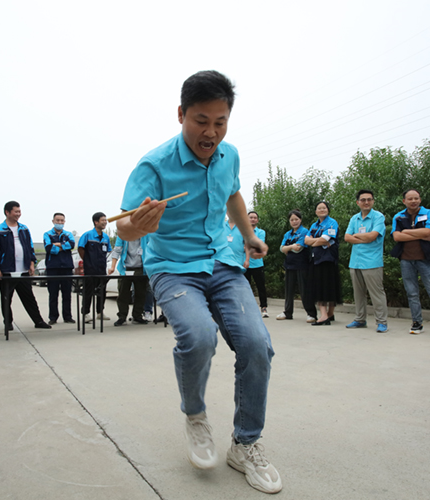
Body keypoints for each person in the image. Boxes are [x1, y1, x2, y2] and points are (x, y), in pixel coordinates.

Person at [116, 71, 282, 494]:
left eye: (220, 122)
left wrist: (248, 236)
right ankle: (195, 416)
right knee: (198, 335)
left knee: (256, 345)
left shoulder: (230, 156)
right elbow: (124, 227)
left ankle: (245, 443)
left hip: (223, 262)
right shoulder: (153, 165)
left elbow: (233, 195)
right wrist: (138, 225)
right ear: (181, 114)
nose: (211, 132)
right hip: (173, 266)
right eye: (201, 121)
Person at [0, 201, 51, 330]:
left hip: (23, 270)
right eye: (16, 211)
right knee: (6, 299)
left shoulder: (24, 229)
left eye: (19, 211)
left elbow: (30, 247)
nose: (18, 214)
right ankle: (8, 323)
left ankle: (38, 321)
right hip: (7, 271)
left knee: (29, 298)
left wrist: (31, 263)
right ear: (7, 212)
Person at [344, 190, 388, 333]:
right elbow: (347, 237)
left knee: (377, 294)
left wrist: (357, 236)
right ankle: (360, 319)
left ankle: (381, 322)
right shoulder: (354, 218)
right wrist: (364, 237)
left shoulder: (378, 217)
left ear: (373, 201)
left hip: (372, 262)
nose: (366, 202)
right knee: (358, 294)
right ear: (358, 202)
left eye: (369, 199)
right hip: (355, 261)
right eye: (363, 200)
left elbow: (372, 236)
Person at [390, 189, 430, 334]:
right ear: (404, 201)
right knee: (412, 293)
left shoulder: (428, 213)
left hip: (426, 259)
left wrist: (406, 232)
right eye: (410, 199)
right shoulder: (399, 216)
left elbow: (428, 233)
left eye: (416, 198)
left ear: (420, 199)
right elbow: (397, 237)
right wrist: (420, 234)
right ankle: (417, 323)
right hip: (406, 260)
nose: (413, 201)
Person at [305, 201, 342, 325]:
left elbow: (325, 239)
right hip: (316, 259)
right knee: (319, 286)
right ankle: (325, 314)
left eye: (324, 208)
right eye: (319, 208)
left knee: (329, 286)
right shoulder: (314, 225)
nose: (322, 210)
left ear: (328, 210)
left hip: (328, 259)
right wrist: (318, 241)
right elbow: (306, 240)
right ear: (316, 211)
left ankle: (328, 315)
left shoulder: (332, 223)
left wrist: (314, 241)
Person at [277, 210, 317, 322]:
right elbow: (281, 248)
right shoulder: (287, 234)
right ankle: (288, 312)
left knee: (304, 290)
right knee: (289, 290)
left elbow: (298, 249)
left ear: (300, 220)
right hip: (289, 265)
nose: (294, 222)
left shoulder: (305, 232)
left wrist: (288, 248)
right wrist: (291, 247)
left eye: (296, 219)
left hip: (302, 265)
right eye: (292, 220)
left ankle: (311, 314)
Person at [108, 235, 149, 326]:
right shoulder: (123, 234)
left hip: (140, 268)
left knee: (141, 294)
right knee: (123, 293)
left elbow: (151, 248)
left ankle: (137, 316)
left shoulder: (145, 234)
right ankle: (122, 317)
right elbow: (117, 250)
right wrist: (112, 267)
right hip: (125, 268)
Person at [78, 212, 112, 322]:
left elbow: (108, 251)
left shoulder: (106, 237)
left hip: (101, 269)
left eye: (106, 220)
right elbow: (80, 248)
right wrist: (87, 261)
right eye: (103, 220)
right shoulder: (87, 235)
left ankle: (100, 312)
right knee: (88, 292)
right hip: (90, 269)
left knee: (102, 292)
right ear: (96, 222)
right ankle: (86, 313)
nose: (105, 222)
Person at [43, 213, 75, 325]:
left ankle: (67, 316)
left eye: (62, 220)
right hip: (53, 267)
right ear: (53, 221)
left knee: (67, 294)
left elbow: (72, 245)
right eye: (57, 220)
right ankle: (53, 317)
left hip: (67, 267)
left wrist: (57, 245)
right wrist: (63, 246)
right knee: (53, 294)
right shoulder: (47, 234)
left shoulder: (68, 234)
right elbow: (48, 248)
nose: (60, 222)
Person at [245, 211, 269, 317]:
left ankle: (264, 308)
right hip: (245, 264)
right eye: (251, 217)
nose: (253, 219)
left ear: (257, 220)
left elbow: (259, 245)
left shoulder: (261, 232)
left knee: (261, 287)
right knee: (246, 288)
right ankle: (248, 309)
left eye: (255, 217)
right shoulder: (242, 231)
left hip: (258, 264)